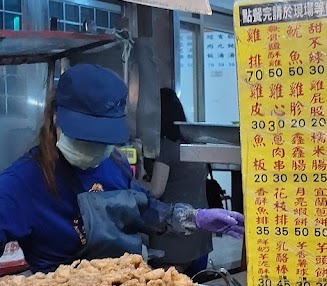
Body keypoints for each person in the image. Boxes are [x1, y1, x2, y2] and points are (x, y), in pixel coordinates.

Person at [0, 64, 243, 273]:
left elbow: (144, 209)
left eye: (103, 141)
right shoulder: (21, 183)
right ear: (55, 118)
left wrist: (194, 218)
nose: (96, 149)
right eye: (86, 138)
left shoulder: (114, 163)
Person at [145, 88, 212, 276]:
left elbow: (156, 190)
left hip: (175, 241)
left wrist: (133, 184)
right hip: (201, 235)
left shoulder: (167, 147)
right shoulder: (197, 143)